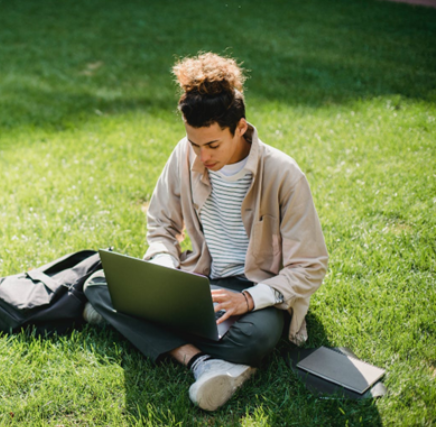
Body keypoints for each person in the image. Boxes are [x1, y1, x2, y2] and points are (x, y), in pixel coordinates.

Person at [82, 51, 329, 411]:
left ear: (240, 128)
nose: (201, 157)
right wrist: (165, 266)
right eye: (194, 144)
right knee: (98, 284)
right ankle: (202, 362)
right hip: (198, 280)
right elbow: (161, 225)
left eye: (212, 145)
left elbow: (310, 266)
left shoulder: (284, 175)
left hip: (255, 292)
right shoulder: (184, 154)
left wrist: (248, 300)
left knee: (256, 338)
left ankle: (127, 321)